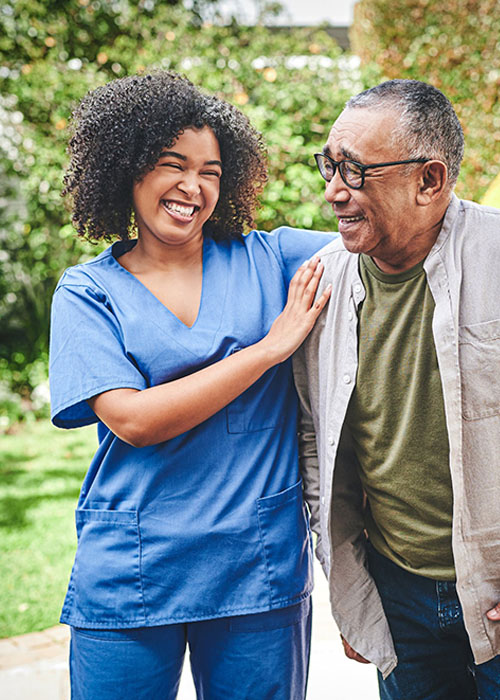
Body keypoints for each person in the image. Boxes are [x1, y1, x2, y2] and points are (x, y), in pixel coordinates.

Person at [49, 71, 333, 700]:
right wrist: (268, 351)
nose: (192, 186)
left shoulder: (274, 258)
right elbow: (134, 420)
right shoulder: (88, 292)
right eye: (172, 164)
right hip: (132, 572)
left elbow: (385, 243)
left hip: (254, 570)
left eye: (210, 170)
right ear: (128, 169)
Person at [293, 79, 500, 699]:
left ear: (429, 181)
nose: (334, 192)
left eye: (355, 171)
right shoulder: (322, 285)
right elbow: (318, 439)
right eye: (330, 165)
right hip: (397, 594)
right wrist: (353, 589)